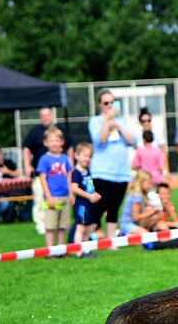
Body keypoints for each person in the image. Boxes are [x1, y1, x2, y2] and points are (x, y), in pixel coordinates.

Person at [89, 88, 135, 238]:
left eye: (112, 102)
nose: (110, 105)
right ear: (100, 104)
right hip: (102, 171)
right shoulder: (95, 121)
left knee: (114, 207)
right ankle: (85, 236)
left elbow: (131, 141)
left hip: (121, 172)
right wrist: (107, 121)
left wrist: (119, 127)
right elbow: (101, 140)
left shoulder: (121, 122)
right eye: (106, 102)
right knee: (100, 206)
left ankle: (111, 241)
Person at [24, 107, 74, 236]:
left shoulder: (60, 130)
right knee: (40, 199)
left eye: (48, 115)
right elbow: (26, 149)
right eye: (43, 115)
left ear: (51, 115)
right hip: (41, 173)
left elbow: (70, 146)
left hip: (59, 176)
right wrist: (27, 165)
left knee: (62, 202)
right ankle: (41, 224)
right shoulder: (35, 132)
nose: (46, 117)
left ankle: (60, 225)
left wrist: (71, 163)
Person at [35, 127, 73, 255]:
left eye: (57, 140)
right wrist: (48, 196)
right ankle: (50, 251)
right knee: (51, 225)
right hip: (53, 196)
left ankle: (61, 249)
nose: (54, 143)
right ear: (46, 143)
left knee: (63, 226)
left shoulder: (65, 158)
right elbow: (43, 179)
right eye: (51, 140)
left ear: (62, 142)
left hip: (65, 196)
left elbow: (69, 176)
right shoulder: (45, 159)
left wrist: (71, 194)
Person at [70, 141, 102, 258]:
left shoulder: (87, 172)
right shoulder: (76, 172)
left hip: (90, 204)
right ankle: (78, 252)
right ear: (77, 155)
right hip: (81, 204)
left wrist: (95, 194)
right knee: (81, 228)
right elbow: (74, 188)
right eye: (85, 155)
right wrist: (89, 196)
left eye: (90, 156)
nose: (87, 159)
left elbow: (89, 187)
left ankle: (86, 250)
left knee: (88, 228)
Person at [119, 170, 161, 235]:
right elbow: (136, 218)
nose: (150, 185)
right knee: (146, 237)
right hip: (128, 224)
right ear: (141, 182)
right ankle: (124, 235)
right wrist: (152, 211)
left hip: (134, 223)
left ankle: (131, 234)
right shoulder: (136, 196)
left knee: (157, 216)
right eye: (149, 183)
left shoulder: (139, 195)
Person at [134, 107, 170, 183]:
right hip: (143, 173)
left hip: (156, 172)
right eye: (144, 121)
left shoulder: (158, 133)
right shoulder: (137, 135)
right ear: (140, 122)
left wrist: (167, 171)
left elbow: (163, 152)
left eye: (148, 120)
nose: (146, 123)